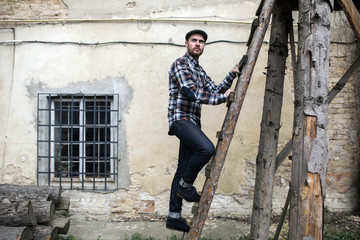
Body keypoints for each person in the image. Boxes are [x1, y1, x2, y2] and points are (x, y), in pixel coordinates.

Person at [165, 29, 240, 232]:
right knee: (206, 149)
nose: (197, 44)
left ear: (203, 46)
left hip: (192, 123)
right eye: (194, 41)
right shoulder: (180, 64)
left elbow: (214, 90)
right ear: (187, 43)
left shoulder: (199, 70)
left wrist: (231, 75)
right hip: (181, 120)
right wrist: (224, 98)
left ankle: (174, 216)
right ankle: (185, 186)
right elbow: (189, 92)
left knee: (182, 168)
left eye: (201, 42)